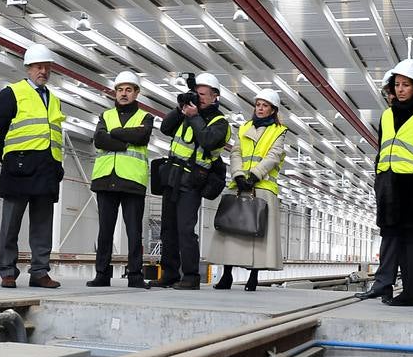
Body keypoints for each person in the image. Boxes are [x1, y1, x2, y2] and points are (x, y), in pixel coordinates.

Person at [354, 60, 413, 306]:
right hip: (389, 185)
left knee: (412, 241)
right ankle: (383, 285)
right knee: (389, 236)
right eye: (396, 84)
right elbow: (382, 149)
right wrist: (379, 176)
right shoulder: (387, 115)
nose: (400, 89)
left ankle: (410, 292)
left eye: (405, 85)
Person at [0, 44, 64, 289]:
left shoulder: (54, 99)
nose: (43, 71)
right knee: (11, 223)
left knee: (43, 225)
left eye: (47, 67)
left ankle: (40, 271)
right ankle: (7, 271)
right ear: (28, 67)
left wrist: (57, 165)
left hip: (46, 168)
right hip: (18, 168)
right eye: (38, 66)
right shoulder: (11, 93)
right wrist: (9, 159)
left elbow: (55, 136)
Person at [153, 72, 231, 290]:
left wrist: (195, 116)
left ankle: (190, 276)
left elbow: (208, 140)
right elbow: (165, 128)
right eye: (197, 93)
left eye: (204, 94)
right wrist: (180, 110)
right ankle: (169, 274)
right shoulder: (186, 113)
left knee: (185, 230)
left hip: (192, 182)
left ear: (215, 96)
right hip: (172, 178)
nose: (200, 97)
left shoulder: (220, 122)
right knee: (167, 229)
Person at [210, 89, 289, 292]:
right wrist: (237, 174)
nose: (260, 108)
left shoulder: (279, 131)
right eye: (258, 105)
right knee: (230, 230)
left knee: (257, 233)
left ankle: (253, 277)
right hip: (239, 184)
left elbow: (273, 155)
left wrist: (254, 175)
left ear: (273, 110)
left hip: (262, 186)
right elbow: (236, 152)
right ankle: (226, 276)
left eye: (265, 105)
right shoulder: (244, 127)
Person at [87, 71, 154, 288]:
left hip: (132, 180)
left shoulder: (145, 117)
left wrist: (114, 133)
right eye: (120, 90)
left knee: (134, 232)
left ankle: (135, 275)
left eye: (128, 90)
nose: (123, 94)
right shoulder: (105, 115)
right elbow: (99, 139)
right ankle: (102, 275)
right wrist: (125, 141)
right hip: (106, 178)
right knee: (105, 230)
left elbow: (141, 136)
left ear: (136, 93)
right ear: (115, 92)